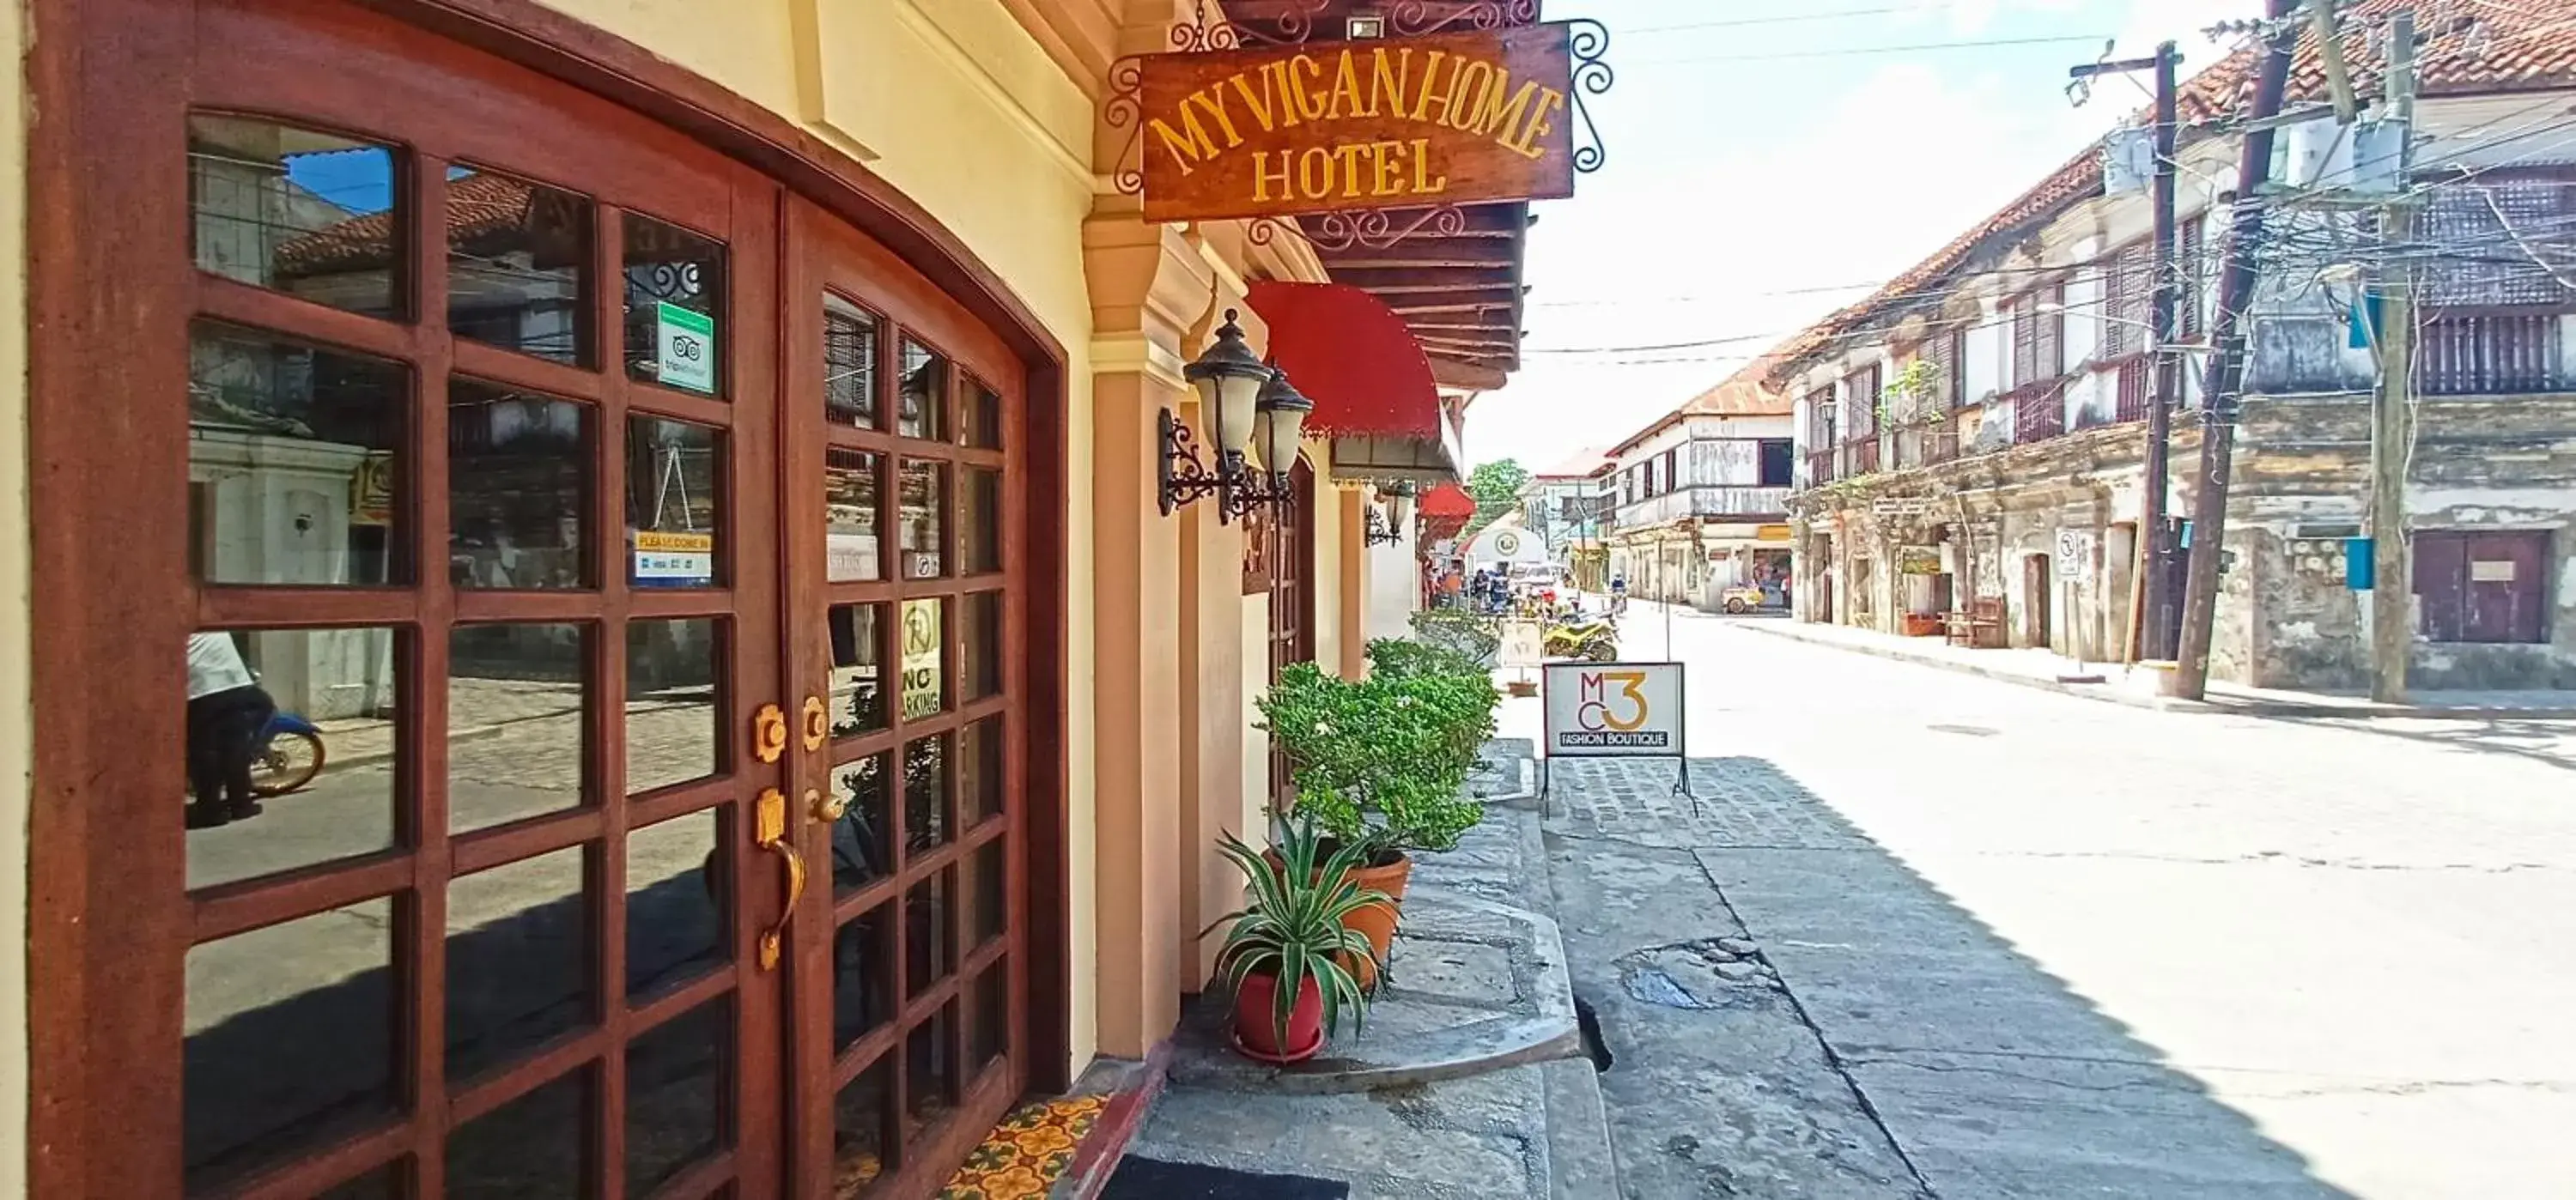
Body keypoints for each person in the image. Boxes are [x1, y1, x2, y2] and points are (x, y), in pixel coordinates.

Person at [187, 631, 276, 828]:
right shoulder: (213, 623)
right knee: (235, 748)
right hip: (237, 685)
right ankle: (241, 803)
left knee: (205, 752)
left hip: (201, 691)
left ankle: (210, 809)